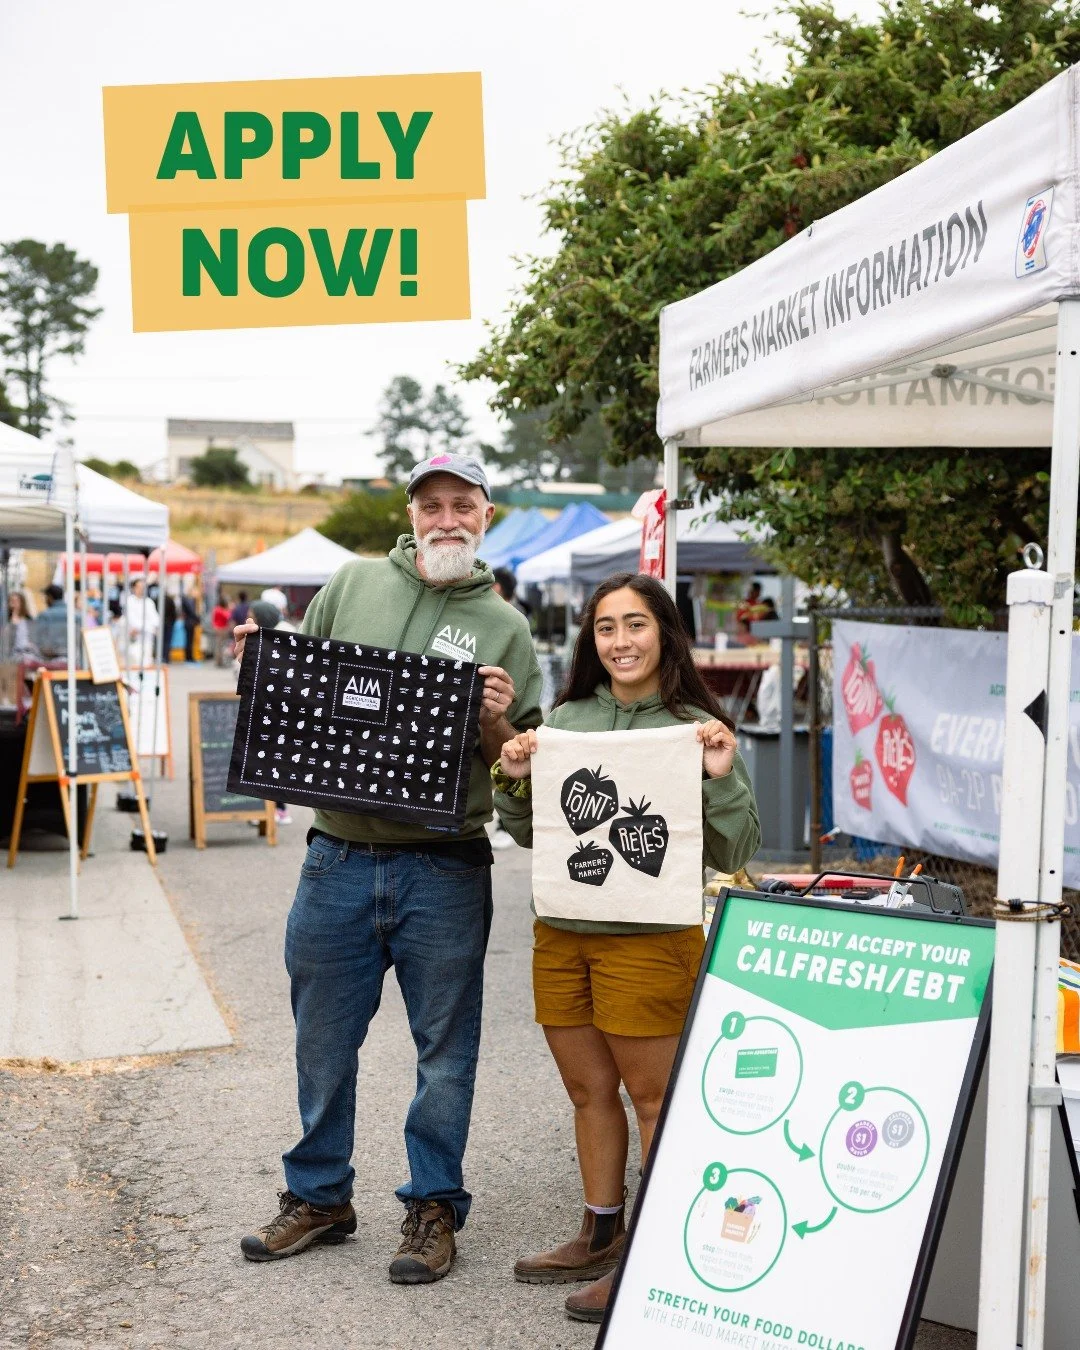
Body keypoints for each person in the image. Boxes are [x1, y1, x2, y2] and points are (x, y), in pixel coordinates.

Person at [234, 453, 544, 1283]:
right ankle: (320, 1197)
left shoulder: (509, 628)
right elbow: (303, 701)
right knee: (322, 1042)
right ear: (410, 516)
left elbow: (524, 766)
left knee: (445, 1049)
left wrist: (497, 720)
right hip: (335, 857)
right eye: (431, 504)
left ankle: (434, 1206)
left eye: (463, 506)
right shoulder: (349, 585)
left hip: (445, 867)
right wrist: (260, 671)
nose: (447, 519)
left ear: (486, 516)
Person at [493, 572, 760, 1323]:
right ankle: (599, 1228)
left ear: (664, 633)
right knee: (587, 1092)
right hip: (561, 935)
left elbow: (736, 845)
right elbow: (534, 836)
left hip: (649, 942)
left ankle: (654, 1252)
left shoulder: (693, 725)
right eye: (606, 627)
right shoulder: (568, 718)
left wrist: (718, 775)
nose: (621, 641)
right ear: (591, 641)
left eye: (636, 625)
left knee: (653, 1099)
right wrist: (515, 781)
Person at [32, 583, 81, 662]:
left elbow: (39, 641)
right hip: (74, 660)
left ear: (50, 597)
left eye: (46, 597)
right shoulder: (76, 615)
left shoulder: (44, 616)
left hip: (50, 661)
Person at [124, 578, 160, 668]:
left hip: (147, 637)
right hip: (134, 638)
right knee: (135, 661)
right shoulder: (129, 601)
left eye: (143, 587)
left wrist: (149, 627)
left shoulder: (149, 602)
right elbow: (132, 620)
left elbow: (155, 619)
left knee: (147, 661)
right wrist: (148, 627)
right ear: (133, 588)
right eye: (139, 587)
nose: (141, 589)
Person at [4, 591, 38, 662]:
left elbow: (35, 638)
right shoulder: (6, 621)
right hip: (13, 655)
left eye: (16, 601)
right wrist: (13, 622)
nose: (14, 604)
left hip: (29, 653)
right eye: (12, 601)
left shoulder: (29, 620)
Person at [210, 594, 231, 666]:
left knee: (219, 646)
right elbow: (228, 617)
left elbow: (213, 620)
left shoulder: (216, 609)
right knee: (220, 646)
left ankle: (219, 661)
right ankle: (219, 661)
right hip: (222, 629)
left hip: (219, 629)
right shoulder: (221, 610)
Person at [180, 591, 199, 662]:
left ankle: (189, 656)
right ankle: (189, 657)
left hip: (189, 623)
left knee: (189, 641)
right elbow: (192, 612)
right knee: (189, 641)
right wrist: (197, 619)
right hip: (190, 623)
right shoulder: (190, 601)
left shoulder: (188, 601)